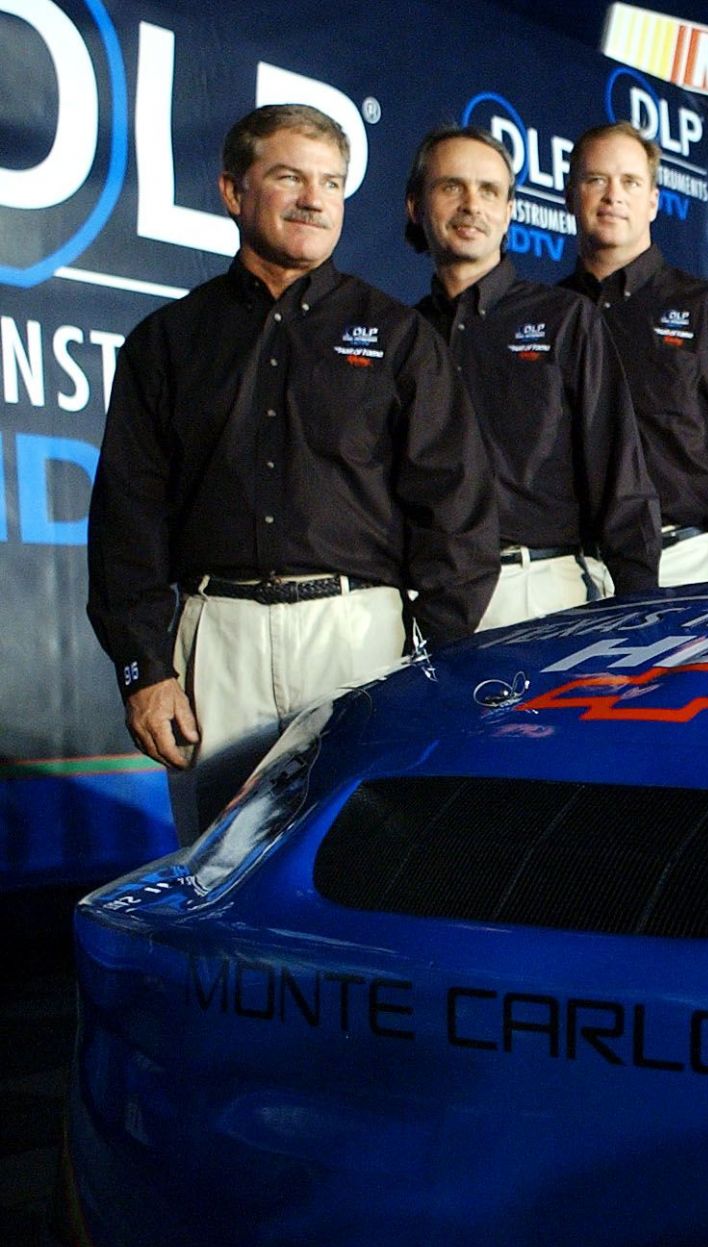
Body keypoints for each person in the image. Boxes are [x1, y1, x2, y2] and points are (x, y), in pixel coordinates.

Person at [87, 104, 498, 839]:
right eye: (288, 177)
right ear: (232, 192)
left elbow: (455, 509)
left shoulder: (401, 338)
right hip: (220, 645)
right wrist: (145, 671)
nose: (315, 198)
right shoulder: (167, 342)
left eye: (332, 183)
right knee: (223, 870)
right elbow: (128, 518)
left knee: (374, 862)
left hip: (360, 641)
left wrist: (431, 661)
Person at [406, 125, 659, 627]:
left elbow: (618, 473)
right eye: (451, 187)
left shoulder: (566, 318)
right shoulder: (403, 334)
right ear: (415, 206)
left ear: (509, 212)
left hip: (543, 589)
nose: (471, 205)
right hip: (428, 600)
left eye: (489, 191)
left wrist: (640, 612)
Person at [559, 123, 708, 585]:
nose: (613, 196)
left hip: (684, 561)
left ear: (653, 200)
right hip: (567, 572)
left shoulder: (707, 310)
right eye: (596, 180)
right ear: (571, 195)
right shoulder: (550, 315)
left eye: (630, 182)